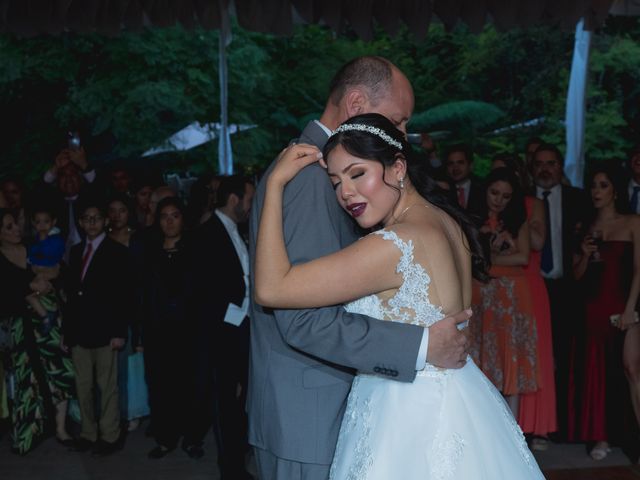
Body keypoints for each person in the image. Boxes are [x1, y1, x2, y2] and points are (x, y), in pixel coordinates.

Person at [254, 113, 545, 479]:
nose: (345, 192)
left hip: (408, 417)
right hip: (455, 397)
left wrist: (275, 185)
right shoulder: (443, 220)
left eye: (358, 174)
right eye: (335, 181)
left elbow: (270, 288)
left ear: (398, 168)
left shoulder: (395, 244)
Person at [247, 56, 471, 480]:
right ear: (355, 103)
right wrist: (420, 347)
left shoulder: (378, 211)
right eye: (397, 120)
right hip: (310, 414)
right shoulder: (309, 179)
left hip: (371, 410)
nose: (402, 136)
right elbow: (301, 321)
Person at [183, 176, 254, 478]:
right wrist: (238, 318)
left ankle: (236, 464)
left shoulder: (238, 232)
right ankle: (231, 471)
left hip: (240, 331)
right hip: (221, 337)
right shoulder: (204, 236)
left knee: (237, 405)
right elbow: (203, 295)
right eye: (249, 200)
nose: (251, 207)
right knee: (225, 406)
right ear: (234, 200)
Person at [570, 164, 640, 460]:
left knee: (632, 368)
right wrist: (584, 255)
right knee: (596, 372)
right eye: (593, 185)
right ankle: (600, 437)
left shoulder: (633, 222)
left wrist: (630, 310)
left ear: (615, 190)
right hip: (594, 306)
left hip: (625, 306)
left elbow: (639, 271)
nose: (596, 191)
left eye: (603, 185)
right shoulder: (585, 227)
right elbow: (576, 277)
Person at [491, 155, 558, 445]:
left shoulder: (531, 204)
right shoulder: (486, 208)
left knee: (533, 357)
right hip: (495, 285)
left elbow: (538, 244)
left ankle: (536, 427)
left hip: (527, 282)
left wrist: (517, 218)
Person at [0, 209, 74, 454]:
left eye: (16, 224)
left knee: (60, 370)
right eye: (9, 227)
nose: (16, 229)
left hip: (52, 320)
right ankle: (30, 432)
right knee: (26, 380)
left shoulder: (34, 247)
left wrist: (48, 284)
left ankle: (61, 428)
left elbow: (61, 274)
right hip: (21, 327)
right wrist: (32, 290)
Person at [62, 197, 132, 456]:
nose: (91, 222)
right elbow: (70, 295)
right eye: (86, 218)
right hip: (79, 330)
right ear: (80, 223)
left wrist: (118, 332)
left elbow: (123, 295)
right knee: (83, 385)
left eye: (96, 218)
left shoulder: (117, 252)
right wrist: (67, 333)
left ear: (105, 221)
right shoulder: (75, 251)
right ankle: (88, 433)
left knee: (107, 385)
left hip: (105, 330)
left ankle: (110, 435)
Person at [470, 167, 538, 417]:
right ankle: (485, 428)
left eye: (506, 196)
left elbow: (523, 256)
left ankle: (514, 434)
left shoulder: (518, 220)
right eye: (494, 192)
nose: (499, 200)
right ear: (485, 191)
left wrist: (492, 253)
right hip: (482, 290)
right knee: (481, 355)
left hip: (512, 294)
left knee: (511, 355)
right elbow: (470, 258)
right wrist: (493, 249)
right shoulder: (472, 219)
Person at [531, 143, 587, 439]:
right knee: (536, 356)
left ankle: (562, 426)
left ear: (559, 167)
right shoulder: (524, 200)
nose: (545, 168)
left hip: (568, 289)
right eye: (539, 163)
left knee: (566, 355)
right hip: (532, 287)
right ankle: (536, 425)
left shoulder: (578, 199)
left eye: (551, 163)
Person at [141, 197, 191, 459]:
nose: (170, 221)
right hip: (157, 332)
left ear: (183, 218)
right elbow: (142, 294)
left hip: (187, 332)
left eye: (175, 215)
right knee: (159, 386)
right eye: (164, 216)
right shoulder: (150, 251)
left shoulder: (193, 250)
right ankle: (165, 437)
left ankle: (191, 436)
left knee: (188, 384)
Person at [106, 194, 149, 433]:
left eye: (121, 210)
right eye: (112, 210)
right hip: (112, 305)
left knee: (134, 358)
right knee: (115, 362)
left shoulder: (139, 238)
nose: (116, 215)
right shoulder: (103, 240)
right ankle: (119, 409)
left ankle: (134, 409)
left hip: (136, 304)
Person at [25, 207, 65, 334]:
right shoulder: (34, 239)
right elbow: (31, 254)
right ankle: (46, 316)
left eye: (46, 221)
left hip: (51, 271)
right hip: (40, 273)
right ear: (33, 223)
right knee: (31, 296)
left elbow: (50, 253)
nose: (42, 225)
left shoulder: (56, 238)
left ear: (53, 222)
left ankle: (49, 317)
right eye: (38, 222)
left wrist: (42, 241)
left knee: (33, 295)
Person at [444, 144, 484, 217]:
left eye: (460, 162)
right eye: (451, 164)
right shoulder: (443, 191)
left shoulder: (482, 189)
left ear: (470, 166)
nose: (455, 168)